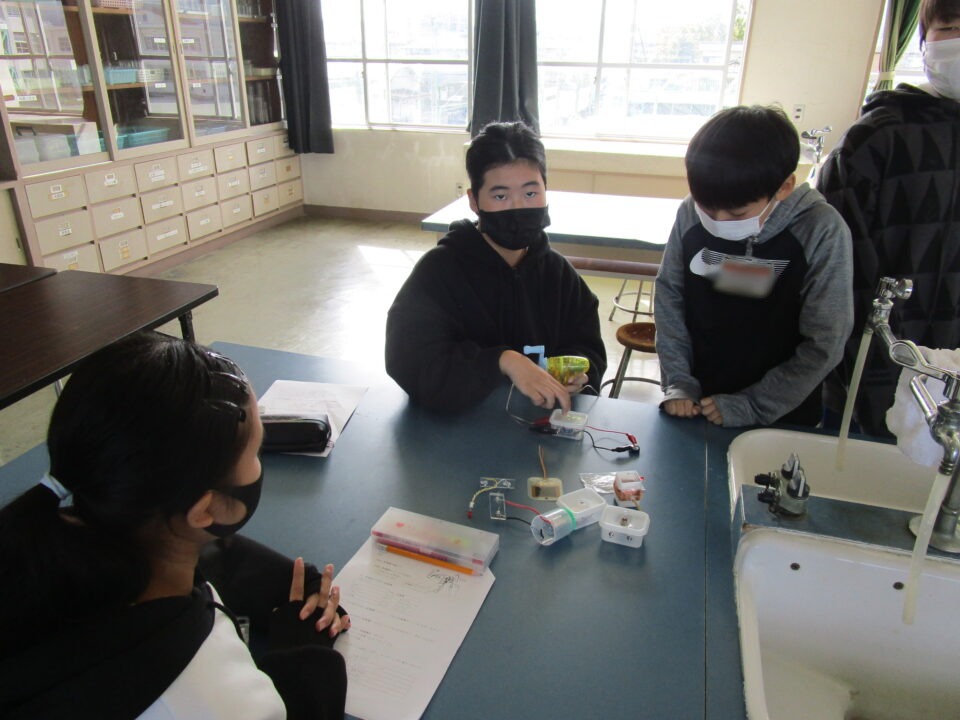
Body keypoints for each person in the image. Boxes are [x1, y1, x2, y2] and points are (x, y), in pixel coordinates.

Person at [0, 332, 349, 719]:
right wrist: (304, 654)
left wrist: (277, 577)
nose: (259, 462)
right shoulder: (215, 702)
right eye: (256, 452)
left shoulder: (46, 539)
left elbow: (195, 556)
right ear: (203, 511)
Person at [385, 121, 607, 413]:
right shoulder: (438, 272)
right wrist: (502, 360)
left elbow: (588, 348)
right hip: (459, 429)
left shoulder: (559, 274)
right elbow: (411, 364)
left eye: (531, 194)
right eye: (500, 196)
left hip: (538, 426)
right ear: (474, 201)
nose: (518, 207)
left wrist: (580, 373)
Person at [655, 105, 853, 427]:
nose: (718, 222)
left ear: (784, 187)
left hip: (782, 412)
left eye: (736, 214)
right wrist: (679, 381)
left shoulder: (820, 230)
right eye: (707, 208)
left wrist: (753, 404)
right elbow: (670, 297)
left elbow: (825, 342)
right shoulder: (690, 213)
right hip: (696, 402)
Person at [817, 0, 960, 437]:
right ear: (924, 40)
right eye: (951, 28)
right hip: (874, 366)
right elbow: (834, 272)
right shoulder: (876, 139)